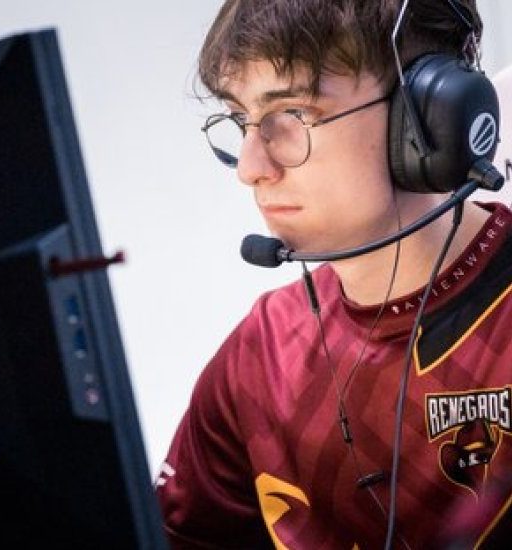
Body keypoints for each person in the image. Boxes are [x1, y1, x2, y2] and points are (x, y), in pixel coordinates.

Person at [156, 0, 512, 548]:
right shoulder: (259, 358)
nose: (250, 169)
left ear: (428, 115)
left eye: (291, 115)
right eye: (240, 121)